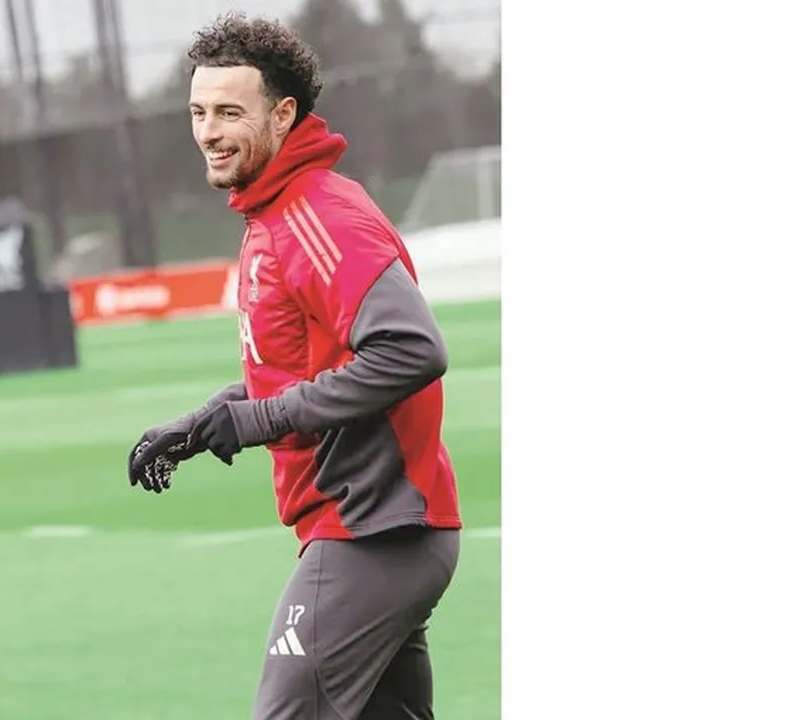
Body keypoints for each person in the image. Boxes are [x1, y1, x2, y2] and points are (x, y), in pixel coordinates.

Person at [126, 12, 463, 720]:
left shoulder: (319, 214)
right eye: (198, 112)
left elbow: (412, 349)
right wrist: (201, 426)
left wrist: (257, 421)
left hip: (371, 534)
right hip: (374, 536)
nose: (208, 131)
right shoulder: (274, 216)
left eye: (229, 112)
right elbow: (295, 373)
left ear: (283, 115)